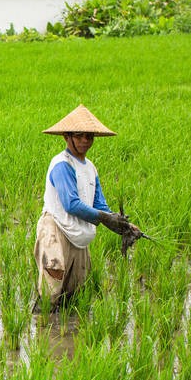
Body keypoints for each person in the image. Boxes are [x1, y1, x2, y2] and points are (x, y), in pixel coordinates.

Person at [34, 105, 139, 309]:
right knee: (52, 283)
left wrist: (125, 226)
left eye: (89, 136)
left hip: (80, 233)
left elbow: (100, 204)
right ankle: (44, 333)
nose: (85, 141)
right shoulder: (61, 164)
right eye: (80, 136)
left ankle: (69, 336)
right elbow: (71, 204)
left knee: (74, 293)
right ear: (67, 136)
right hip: (57, 228)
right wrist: (104, 218)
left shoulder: (90, 168)